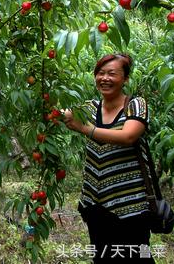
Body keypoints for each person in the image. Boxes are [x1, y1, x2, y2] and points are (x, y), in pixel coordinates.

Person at [63, 54, 155, 263]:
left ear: (125, 79)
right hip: (96, 204)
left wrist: (84, 128)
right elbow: (64, 113)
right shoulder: (90, 108)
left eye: (112, 74)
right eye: (100, 73)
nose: (104, 78)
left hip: (131, 206)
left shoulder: (135, 105)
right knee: (103, 257)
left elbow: (127, 136)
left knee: (136, 257)